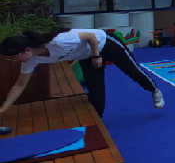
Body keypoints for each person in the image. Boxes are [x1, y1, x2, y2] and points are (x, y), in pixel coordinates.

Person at [0, 28, 164, 120]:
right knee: (95, 89)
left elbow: (90, 36)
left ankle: (154, 90)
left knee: (133, 72)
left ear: (27, 50)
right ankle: (97, 122)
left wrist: (96, 56)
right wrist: (3, 109)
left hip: (105, 43)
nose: (13, 61)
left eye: (13, 58)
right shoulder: (31, 60)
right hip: (86, 56)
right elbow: (20, 85)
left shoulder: (59, 41)